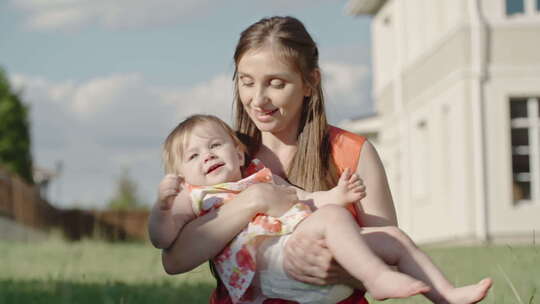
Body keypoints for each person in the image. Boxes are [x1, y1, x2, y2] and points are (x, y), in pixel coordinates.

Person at [154, 16, 492, 304]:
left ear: (309, 82)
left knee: (392, 238)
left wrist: (336, 268)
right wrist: (253, 201)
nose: (258, 99)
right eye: (246, 83)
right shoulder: (228, 158)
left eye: (276, 83)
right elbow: (175, 259)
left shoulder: (350, 152)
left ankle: (447, 296)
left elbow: (389, 254)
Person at [150, 114, 492, 304]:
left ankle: (446, 295)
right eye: (193, 156)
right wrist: (162, 207)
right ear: (181, 174)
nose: (206, 155)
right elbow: (164, 240)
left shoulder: (259, 176)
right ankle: (377, 278)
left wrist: (335, 195)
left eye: (214, 146)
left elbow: (303, 200)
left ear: (238, 154)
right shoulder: (193, 196)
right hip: (266, 266)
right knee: (333, 219)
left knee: (391, 236)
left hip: (297, 250)